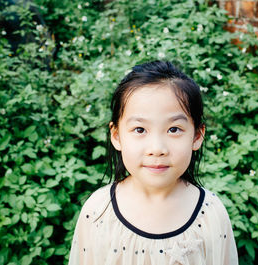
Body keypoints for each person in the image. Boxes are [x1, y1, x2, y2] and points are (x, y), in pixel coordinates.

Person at [68, 61, 238, 265]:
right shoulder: (98, 211)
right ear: (116, 136)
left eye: (174, 129)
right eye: (140, 130)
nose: (157, 148)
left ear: (197, 136)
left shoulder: (210, 213)